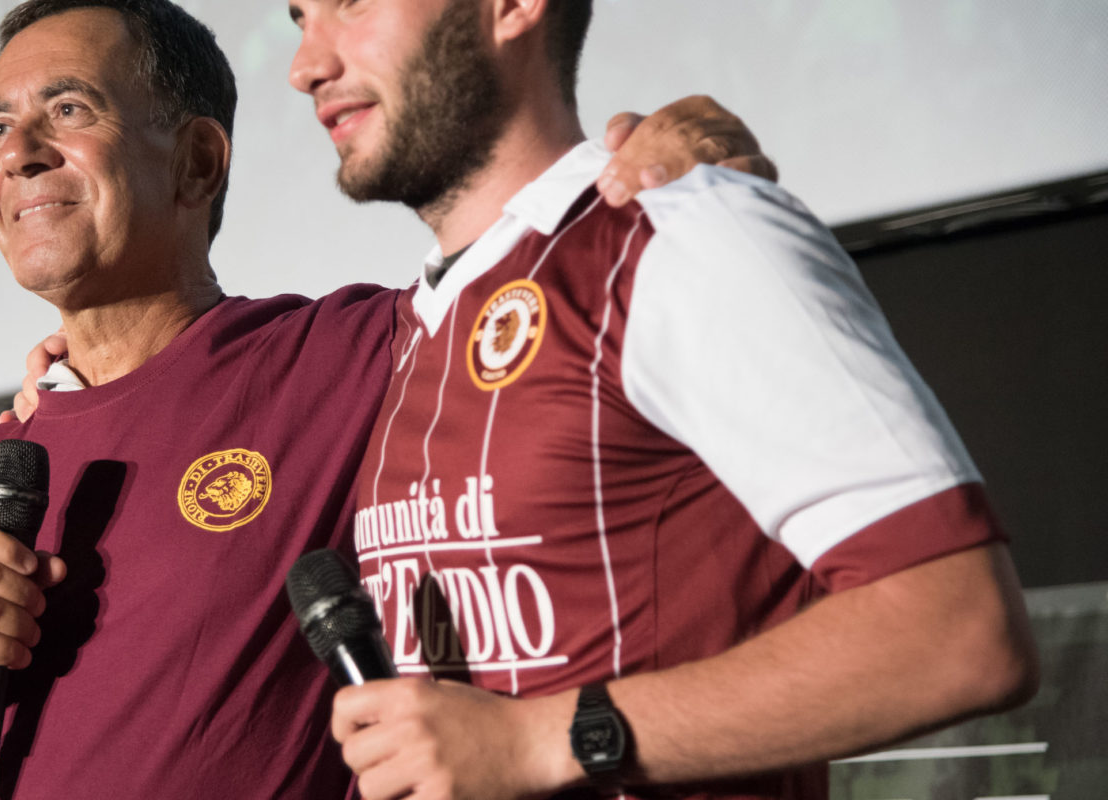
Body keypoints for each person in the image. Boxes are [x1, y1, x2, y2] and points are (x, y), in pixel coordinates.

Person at [0, 1, 774, 798]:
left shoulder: (355, 356)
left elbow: (542, 289)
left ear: (198, 162)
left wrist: (676, 149)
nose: (19, 152)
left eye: (68, 110)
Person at [278, 0, 1040, 798]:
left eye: (351, 2)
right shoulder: (401, 331)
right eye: (298, 18)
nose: (305, 67)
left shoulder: (678, 231)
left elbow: (960, 631)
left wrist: (541, 738)